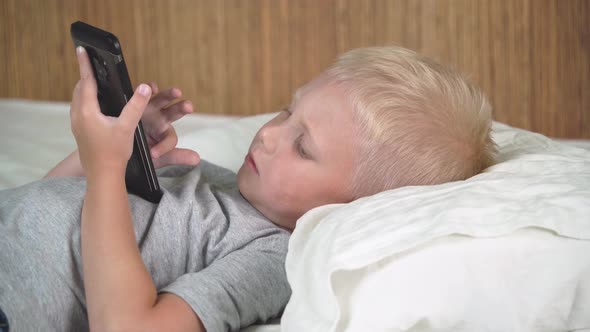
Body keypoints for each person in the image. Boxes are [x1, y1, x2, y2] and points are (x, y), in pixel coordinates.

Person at [0, 46, 495, 331]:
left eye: (303, 146)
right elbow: (46, 210)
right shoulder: (217, 179)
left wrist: (106, 173)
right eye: (286, 110)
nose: (268, 133)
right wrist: (116, 152)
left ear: (356, 207)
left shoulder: (270, 258)